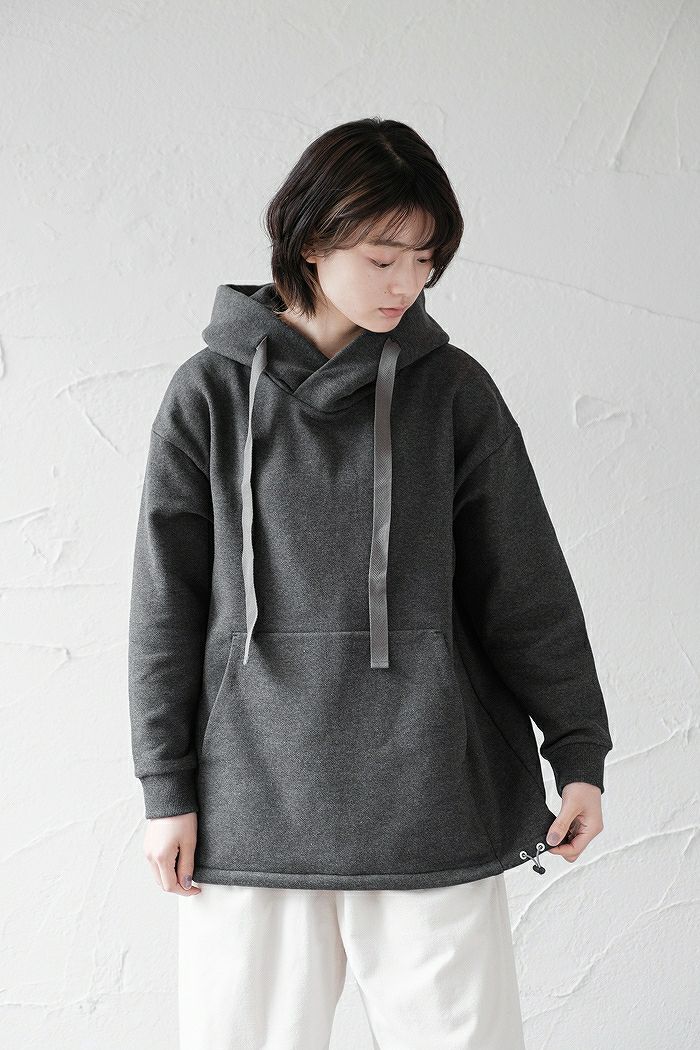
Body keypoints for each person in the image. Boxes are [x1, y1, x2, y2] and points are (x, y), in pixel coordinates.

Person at [128, 117, 613, 1050]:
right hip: (248, 802)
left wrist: (578, 749)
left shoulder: (453, 391)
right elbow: (165, 608)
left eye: (425, 261)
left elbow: (525, 586)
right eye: (384, 257)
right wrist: (164, 787)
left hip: (429, 792)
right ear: (310, 242)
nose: (408, 284)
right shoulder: (209, 394)